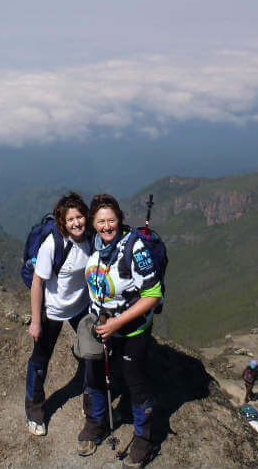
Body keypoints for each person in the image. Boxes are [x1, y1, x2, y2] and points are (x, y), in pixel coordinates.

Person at [77, 194, 162, 468]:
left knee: (134, 381)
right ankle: (96, 423)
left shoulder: (134, 248)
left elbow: (152, 294)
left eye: (111, 220)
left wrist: (117, 323)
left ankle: (144, 439)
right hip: (101, 324)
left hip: (131, 329)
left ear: (120, 219)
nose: (106, 226)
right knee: (94, 374)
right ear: (93, 223)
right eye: (100, 221)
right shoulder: (94, 244)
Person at [25, 192, 93, 436]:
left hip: (80, 307)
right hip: (52, 310)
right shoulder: (53, 244)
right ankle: (35, 413)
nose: (76, 223)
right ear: (62, 223)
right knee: (40, 362)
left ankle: (90, 401)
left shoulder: (91, 239)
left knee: (92, 355)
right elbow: (37, 283)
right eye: (70, 219)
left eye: (79, 217)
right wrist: (36, 321)